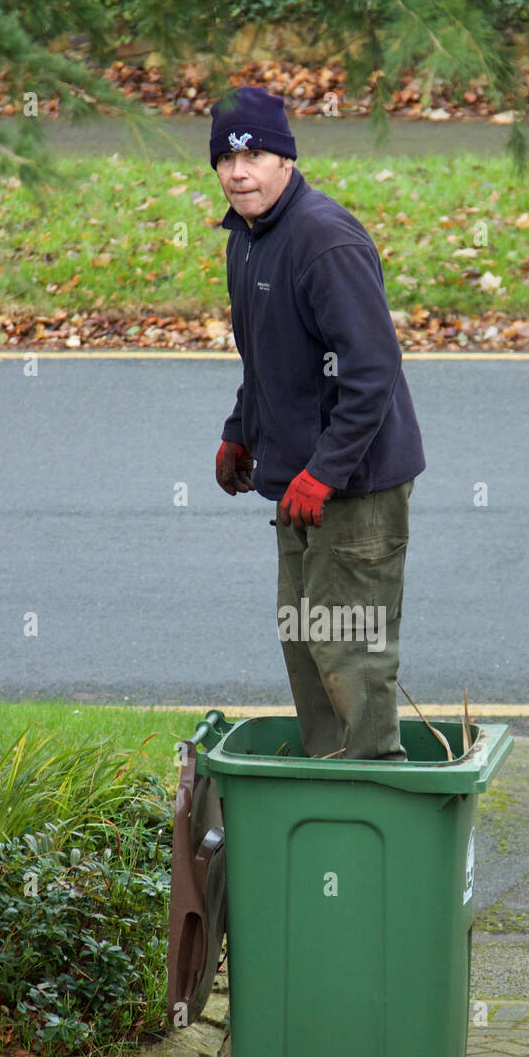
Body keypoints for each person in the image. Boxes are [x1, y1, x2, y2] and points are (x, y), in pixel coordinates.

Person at [211, 86, 425, 760]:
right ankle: (330, 782)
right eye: (226, 159)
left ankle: (376, 795)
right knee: (304, 638)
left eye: (256, 156)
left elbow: (372, 372)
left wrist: (325, 472)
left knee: (348, 648)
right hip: (297, 483)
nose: (239, 172)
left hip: (354, 487)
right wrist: (240, 427)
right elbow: (266, 356)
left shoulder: (323, 241)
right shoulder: (247, 239)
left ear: (286, 160)